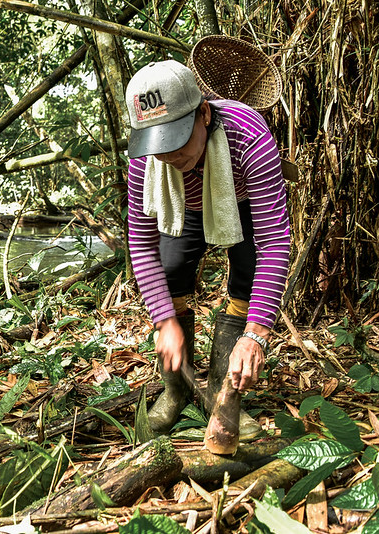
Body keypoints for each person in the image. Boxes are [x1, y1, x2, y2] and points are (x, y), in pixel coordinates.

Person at [124, 60, 290, 436]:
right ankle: (177, 392)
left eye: (178, 141)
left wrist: (255, 334)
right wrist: (164, 321)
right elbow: (141, 240)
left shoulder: (248, 135)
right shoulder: (146, 160)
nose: (169, 157)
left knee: (248, 273)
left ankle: (223, 391)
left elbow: (275, 241)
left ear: (203, 113)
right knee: (169, 272)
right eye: (159, 146)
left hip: (240, 200)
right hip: (182, 205)